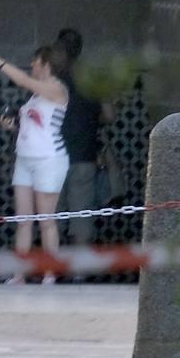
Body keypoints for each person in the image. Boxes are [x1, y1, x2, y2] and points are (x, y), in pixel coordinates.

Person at [0, 45, 70, 284]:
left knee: (46, 220)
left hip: (49, 159)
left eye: (35, 61)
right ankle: (20, 273)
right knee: (23, 220)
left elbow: (25, 81)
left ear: (46, 64)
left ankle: (50, 272)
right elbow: (36, 127)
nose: (32, 65)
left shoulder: (56, 88)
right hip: (25, 159)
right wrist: (13, 126)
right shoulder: (37, 96)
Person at [52, 28, 115, 248]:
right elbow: (109, 114)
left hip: (53, 156)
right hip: (85, 155)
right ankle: (79, 272)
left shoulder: (52, 80)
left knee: (53, 216)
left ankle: (52, 270)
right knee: (81, 216)